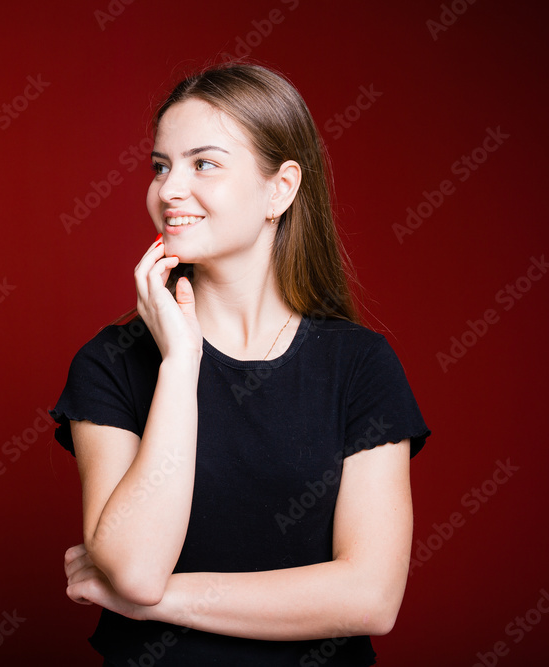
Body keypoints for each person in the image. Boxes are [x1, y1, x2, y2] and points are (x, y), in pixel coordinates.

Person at [50, 62, 430, 666]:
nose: (169, 189)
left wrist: (156, 603)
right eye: (160, 165)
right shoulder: (110, 364)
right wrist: (180, 363)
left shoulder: (360, 366)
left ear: (280, 188)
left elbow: (369, 598)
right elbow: (136, 569)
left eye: (204, 163)